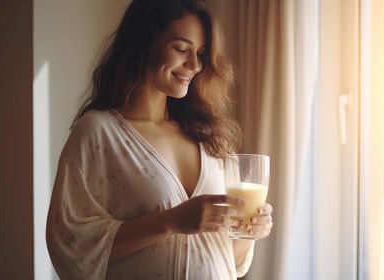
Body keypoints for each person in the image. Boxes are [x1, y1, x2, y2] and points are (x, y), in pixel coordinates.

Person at [45, 0, 274, 279]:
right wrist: (172, 221)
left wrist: (248, 232)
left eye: (201, 53)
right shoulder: (99, 132)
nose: (194, 65)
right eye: (180, 48)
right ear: (144, 43)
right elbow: (71, 246)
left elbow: (226, 257)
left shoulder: (208, 137)